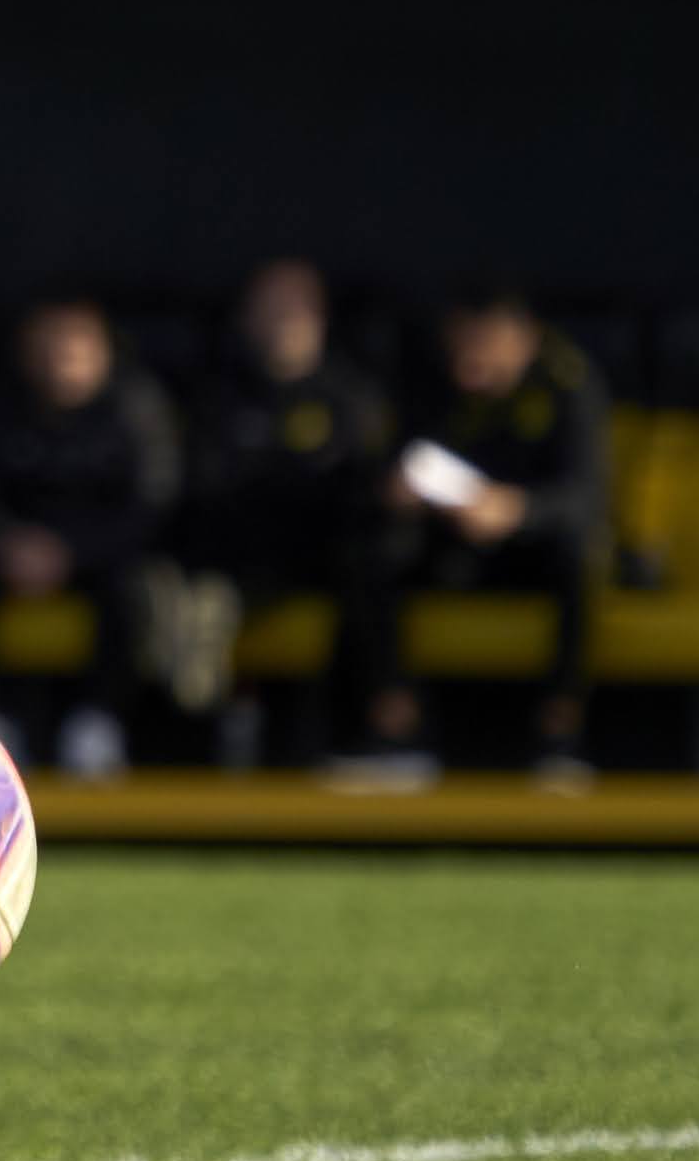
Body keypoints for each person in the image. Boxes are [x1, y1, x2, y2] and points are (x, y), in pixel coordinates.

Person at [344, 283, 610, 784]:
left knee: (581, 553)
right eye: (462, 343)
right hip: (449, 544)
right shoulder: (431, 380)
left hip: (528, 552)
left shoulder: (568, 385)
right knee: (375, 549)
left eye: (485, 344)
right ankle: (396, 732)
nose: (471, 360)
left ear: (523, 339)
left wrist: (518, 510)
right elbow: (393, 466)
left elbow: (587, 499)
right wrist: (402, 491)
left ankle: (560, 737)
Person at [0, 293, 188, 781]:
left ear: (103, 351)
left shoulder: (136, 410)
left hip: (98, 559)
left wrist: (72, 552)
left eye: (75, 344)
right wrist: (8, 545)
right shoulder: (2, 407)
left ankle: (100, 724)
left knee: (138, 586)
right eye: (49, 344)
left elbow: (151, 506)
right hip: (12, 560)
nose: (62, 357)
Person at [176, 260, 397, 755]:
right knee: (195, 594)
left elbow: (365, 491)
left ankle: (374, 734)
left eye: (295, 309)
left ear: (320, 317)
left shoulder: (352, 397)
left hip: (326, 560)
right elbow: (203, 493)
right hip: (241, 561)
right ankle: (204, 732)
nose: (284, 322)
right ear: (247, 319)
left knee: (374, 567)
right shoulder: (219, 396)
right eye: (270, 309)